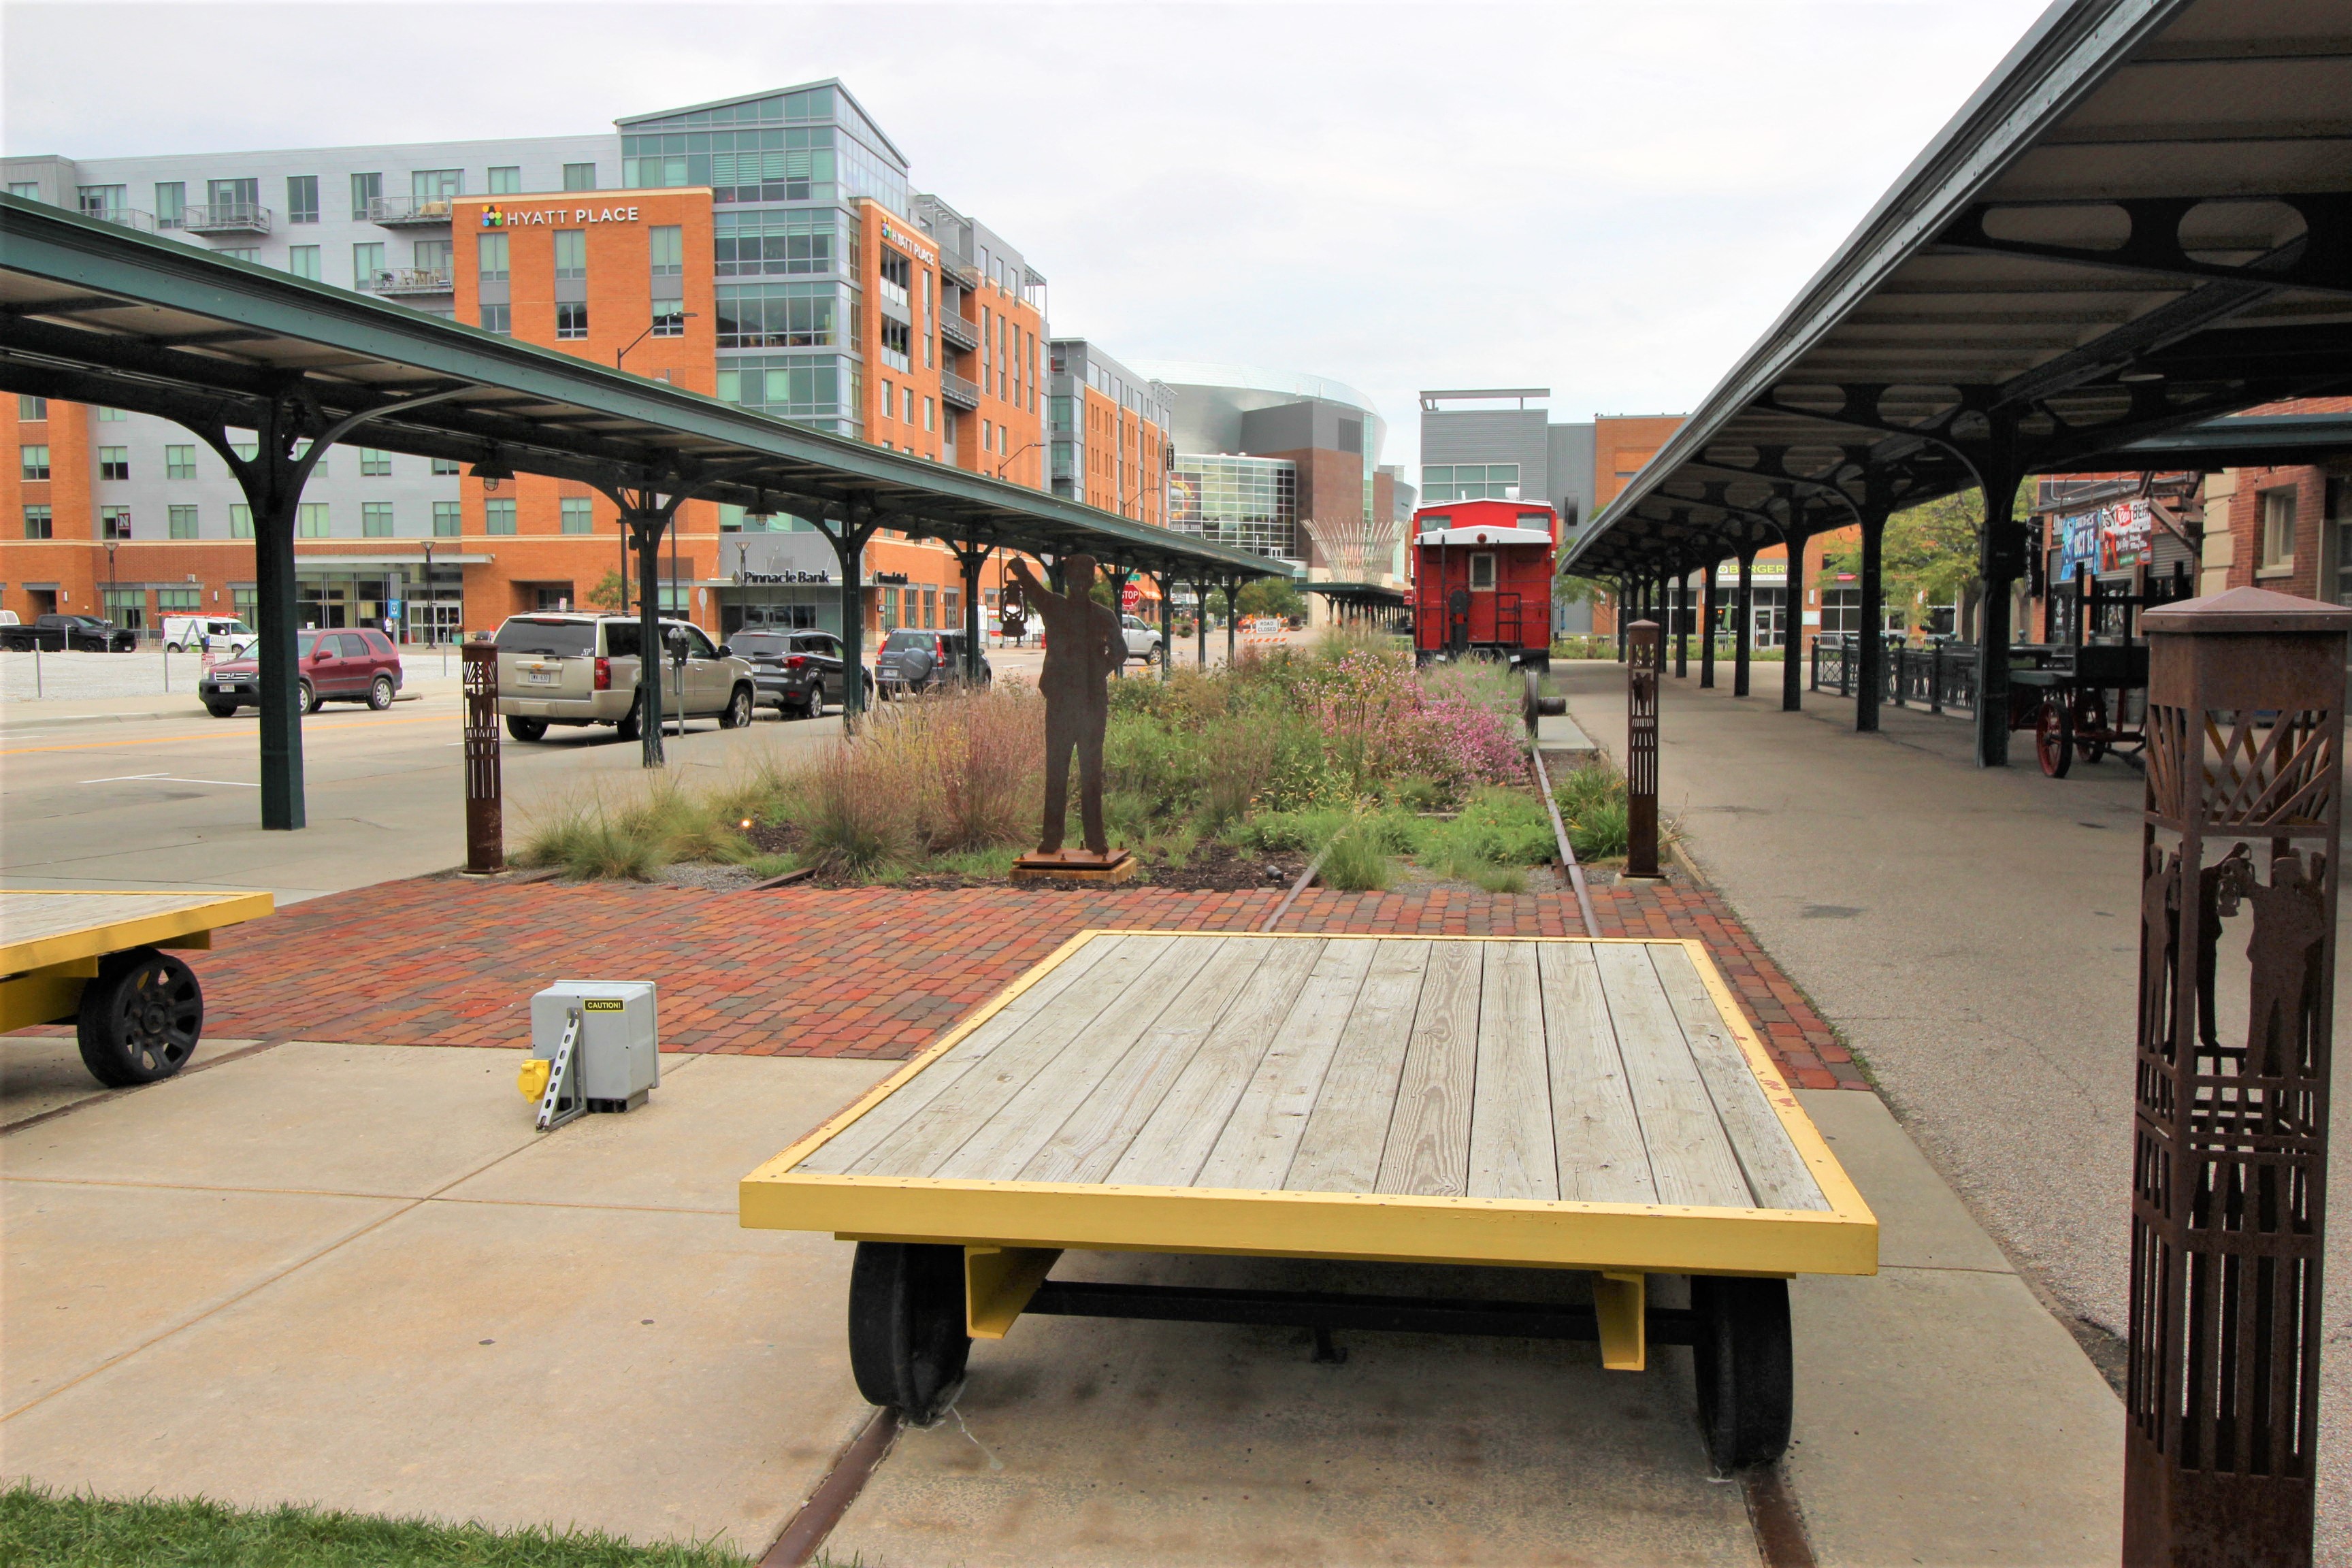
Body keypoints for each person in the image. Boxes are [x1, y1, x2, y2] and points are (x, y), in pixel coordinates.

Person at [1006, 553, 1125, 857]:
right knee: (1058, 771)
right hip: (1063, 703)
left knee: (1089, 773)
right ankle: (1055, 838)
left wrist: (1097, 670)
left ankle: (1093, 839)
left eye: (1085, 579)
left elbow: (1121, 652)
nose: (1079, 584)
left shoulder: (1103, 616)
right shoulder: (1058, 608)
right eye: (1075, 579)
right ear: (1070, 581)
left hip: (1088, 703)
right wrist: (1021, 571)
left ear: (1091, 582)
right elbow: (1035, 591)